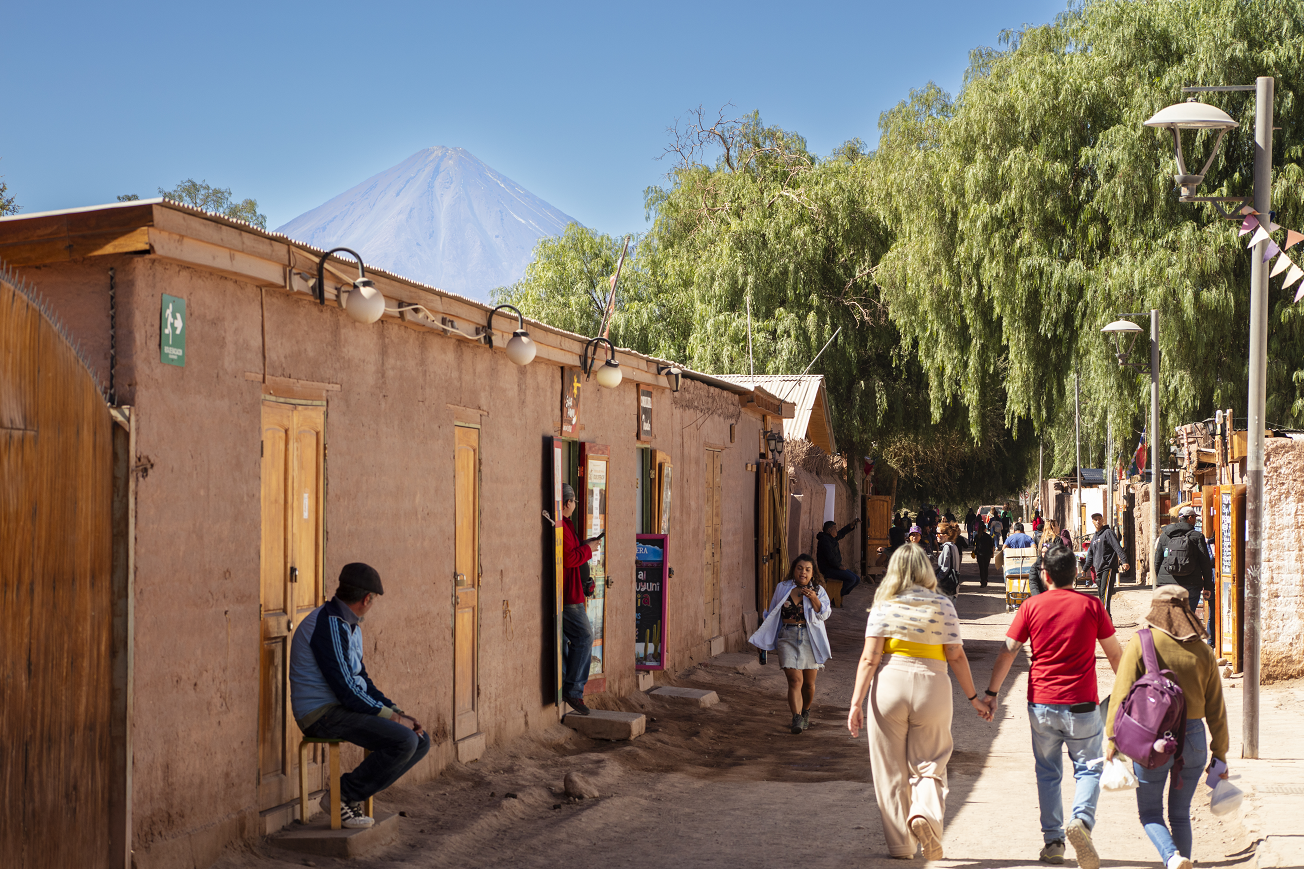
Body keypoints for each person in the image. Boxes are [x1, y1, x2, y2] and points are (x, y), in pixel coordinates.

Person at [982, 545, 1122, 869]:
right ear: (1077, 573)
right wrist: (1132, 691)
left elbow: (1007, 652)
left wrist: (992, 694)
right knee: (1089, 766)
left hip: (1041, 704)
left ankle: (1054, 843)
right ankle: (1082, 823)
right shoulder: (1092, 605)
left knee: (1047, 772)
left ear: (1045, 576)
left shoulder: (1031, 606)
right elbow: (1116, 656)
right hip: (1083, 706)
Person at [848, 544, 991, 860]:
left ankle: (901, 845)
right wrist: (973, 699)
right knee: (931, 762)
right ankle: (925, 812)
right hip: (933, 684)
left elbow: (870, 658)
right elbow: (955, 654)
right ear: (926, 570)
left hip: (890, 684)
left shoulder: (884, 605)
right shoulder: (943, 604)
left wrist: (856, 702)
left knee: (890, 768)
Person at [289, 563, 431, 828]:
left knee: (420, 741)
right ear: (367, 599)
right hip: (322, 714)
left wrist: (398, 712)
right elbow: (347, 690)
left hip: (342, 708)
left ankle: (348, 798)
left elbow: (361, 681)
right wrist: (393, 719)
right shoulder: (329, 624)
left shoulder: (350, 626)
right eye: (374, 600)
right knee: (404, 740)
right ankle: (342, 797)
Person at [1105, 585, 1229, 869]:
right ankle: (1180, 859)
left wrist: (1112, 741)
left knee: (1149, 812)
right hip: (1195, 739)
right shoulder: (1203, 650)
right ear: (1187, 610)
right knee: (1180, 813)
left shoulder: (1141, 642)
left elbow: (1120, 694)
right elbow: (1217, 710)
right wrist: (1220, 753)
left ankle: (1172, 857)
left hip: (1152, 738)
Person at [750, 554, 832, 734]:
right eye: (800, 568)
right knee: (795, 680)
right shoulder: (783, 587)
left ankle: (805, 711)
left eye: (807, 569)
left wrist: (813, 598)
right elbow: (772, 614)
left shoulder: (818, 590)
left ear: (812, 573)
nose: (803, 572)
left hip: (811, 638)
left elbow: (824, 614)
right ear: (794, 570)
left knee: (809, 685)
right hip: (787, 636)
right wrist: (763, 640)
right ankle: (796, 717)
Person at [560, 483, 604, 715]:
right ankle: (574, 691)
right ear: (568, 503)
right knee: (585, 637)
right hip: (568, 597)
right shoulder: (562, 526)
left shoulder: (566, 525)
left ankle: (572, 687)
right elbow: (568, 559)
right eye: (574, 500)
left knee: (577, 639)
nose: (575, 504)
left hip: (573, 594)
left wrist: (586, 545)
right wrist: (588, 550)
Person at [1155, 505, 1214, 612]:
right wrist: (1208, 586)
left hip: (1167, 584)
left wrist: (1160, 581)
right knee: (1188, 617)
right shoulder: (1197, 537)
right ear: (1190, 518)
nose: (1195, 520)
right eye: (1195, 518)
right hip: (1191, 584)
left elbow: (1157, 561)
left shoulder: (1164, 536)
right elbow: (1205, 563)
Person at [1086, 513, 1131, 614]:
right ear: (1092, 522)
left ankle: (1105, 620)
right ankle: (1105, 619)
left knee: (1105, 594)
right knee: (1101, 595)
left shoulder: (1108, 533)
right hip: (1099, 569)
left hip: (1108, 567)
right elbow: (1090, 555)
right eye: (1095, 519)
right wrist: (1085, 568)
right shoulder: (1094, 538)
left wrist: (1124, 561)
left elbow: (1117, 547)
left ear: (1102, 520)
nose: (1098, 521)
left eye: (1099, 519)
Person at [817, 517, 862, 597]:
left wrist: (851, 525)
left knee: (857, 579)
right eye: (835, 529)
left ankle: (838, 594)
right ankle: (836, 595)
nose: (836, 530)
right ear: (829, 530)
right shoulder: (824, 540)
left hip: (835, 568)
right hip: (829, 569)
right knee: (852, 579)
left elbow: (841, 533)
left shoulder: (831, 538)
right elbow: (830, 557)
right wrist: (839, 566)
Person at [935, 522, 962, 597]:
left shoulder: (947, 547)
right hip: (953, 587)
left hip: (946, 588)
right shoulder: (954, 546)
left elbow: (944, 569)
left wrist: (935, 581)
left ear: (945, 535)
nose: (936, 536)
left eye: (938, 533)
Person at [972, 522, 995, 587]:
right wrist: (992, 553)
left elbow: (974, 544)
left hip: (979, 554)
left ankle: (982, 581)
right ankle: (985, 580)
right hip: (987, 554)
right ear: (985, 529)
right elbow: (991, 545)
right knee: (986, 567)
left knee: (981, 568)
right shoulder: (988, 536)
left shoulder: (977, 536)